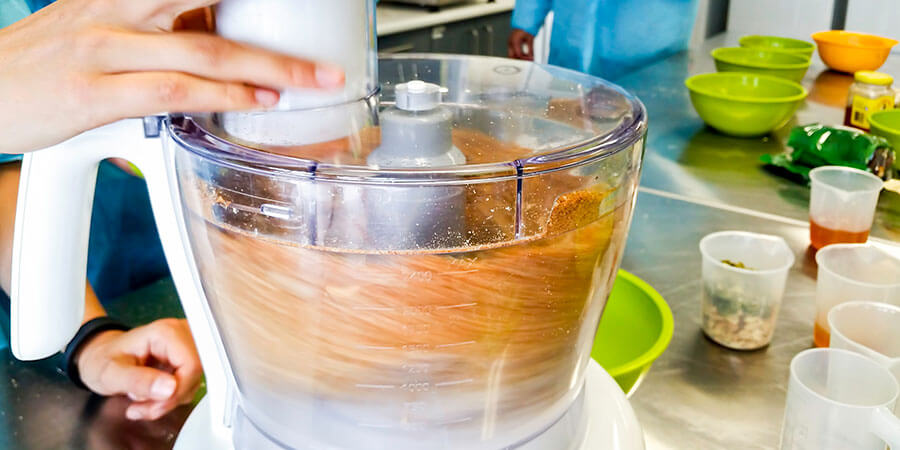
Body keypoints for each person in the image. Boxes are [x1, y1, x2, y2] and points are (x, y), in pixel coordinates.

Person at [0, 0, 344, 421]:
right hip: (47, 348)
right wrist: (83, 333)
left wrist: (93, 341)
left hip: (174, 298)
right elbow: (16, 171)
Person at [508, 0, 698, 80]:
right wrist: (527, 18)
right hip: (570, 46)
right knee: (566, 135)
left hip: (646, 52)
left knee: (641, 139)